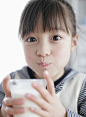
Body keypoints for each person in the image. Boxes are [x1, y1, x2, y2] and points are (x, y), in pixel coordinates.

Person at [0, 0, 86, 117]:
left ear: (73, 43)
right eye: (31, 39)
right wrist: (2, 112)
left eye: (55, 37)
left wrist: (64, 115)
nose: (42, 52)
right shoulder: (12, 83)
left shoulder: (81, 87)